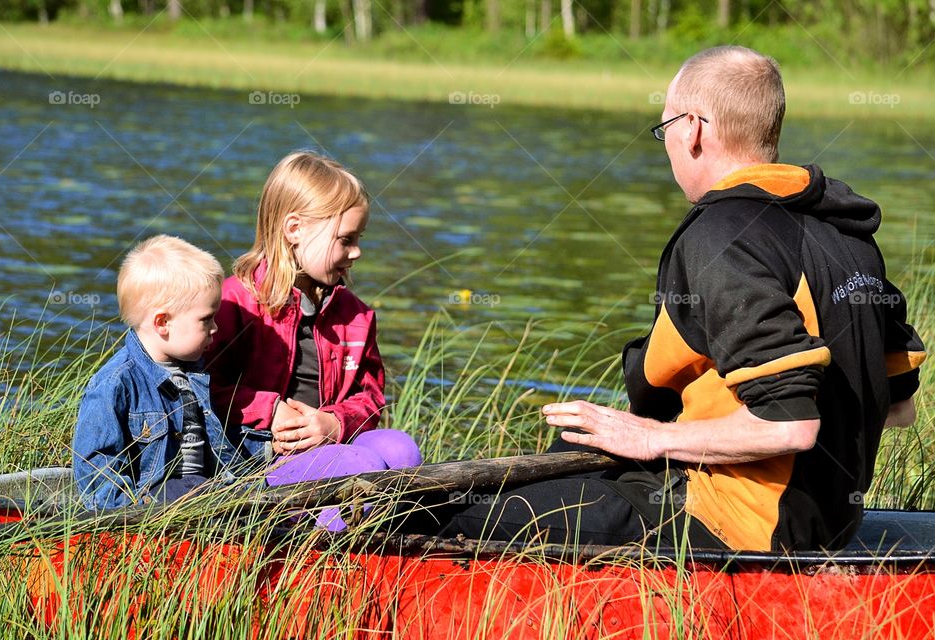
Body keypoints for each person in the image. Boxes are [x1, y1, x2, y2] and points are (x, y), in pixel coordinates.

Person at [443, 46, 926, 551]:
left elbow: (792, 424)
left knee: (461, 516)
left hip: (737, 525)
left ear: (692, 127)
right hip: (831, 521)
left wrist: (652, 439)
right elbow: (898, 407)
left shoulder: (722, 236)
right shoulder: (846, 234)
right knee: (573, 442)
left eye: (665, 128)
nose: (668, 144)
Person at [205, 151, 421, 530]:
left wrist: (335, 423)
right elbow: (201, 387)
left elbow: (370, 398)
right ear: (294, 229)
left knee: (401, 450)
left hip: (329, 446)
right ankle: (319, 553)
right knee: (360, 467)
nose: (356, 252)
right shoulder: (235, 303)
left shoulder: (355, 315)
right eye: (345, 240)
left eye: (359, 239)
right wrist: (270, 410)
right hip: (259, 457)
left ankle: (373, 539)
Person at [73, 235, 241, 510]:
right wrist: (132, 511)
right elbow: (97, 471)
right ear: (163, 322)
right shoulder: (117, 383)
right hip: (156, 504)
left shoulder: (196, 371)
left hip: (205, 490)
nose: (215, 328)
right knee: (200, 491)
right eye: (206, 319)